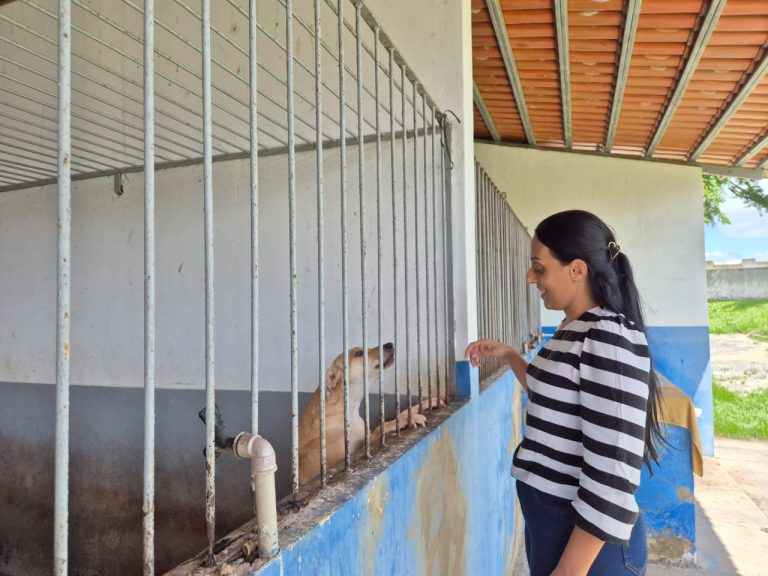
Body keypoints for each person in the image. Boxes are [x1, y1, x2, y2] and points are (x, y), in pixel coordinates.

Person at [465, 210, 664, 576]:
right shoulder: (572, 328)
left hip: (588, 549)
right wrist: (510, 356)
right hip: (554, 528)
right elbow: (554, 397)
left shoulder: (609, 337)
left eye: (539, 268)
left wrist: (570, 570)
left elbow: (613, 471)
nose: (530, 278)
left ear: (577, 269)